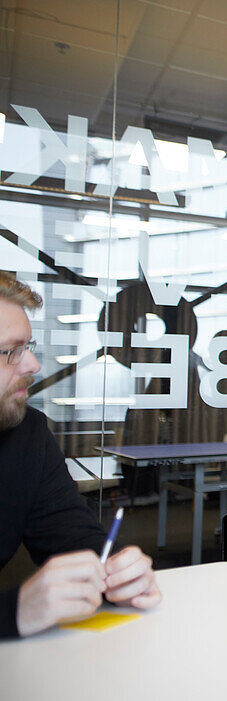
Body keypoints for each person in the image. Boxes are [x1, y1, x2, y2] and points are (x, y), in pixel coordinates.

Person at [0, 273, 161, 638]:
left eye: (29, 347)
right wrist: (15, 611)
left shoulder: (29, 434)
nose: (33, 366)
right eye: (11, 351)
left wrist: (118, 572)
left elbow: (72, 535)